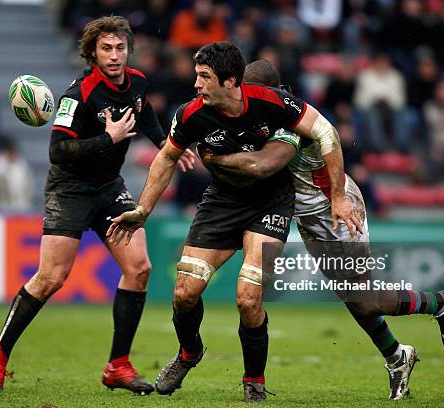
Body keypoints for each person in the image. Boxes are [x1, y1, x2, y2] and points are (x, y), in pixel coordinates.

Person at [107, 42, 361, 402]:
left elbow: (326, 134)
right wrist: (143, 210)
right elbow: (166, 159)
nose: (196, 85)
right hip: (222, 202)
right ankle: (189, 352)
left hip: (271, 202)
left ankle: (253, 381)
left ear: (230, 82)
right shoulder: (191, 113)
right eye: (196, 75)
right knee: (184, 293)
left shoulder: (271, 103)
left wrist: (337, 196)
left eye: (204, 77)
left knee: (248, 297)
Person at [201, 59, 444, 400]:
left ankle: (441, 303)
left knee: (364, 298)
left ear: (266, 92)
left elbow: (273, 160)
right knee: (354, 299)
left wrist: (214, 158)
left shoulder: (288, 122)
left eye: (250, 93)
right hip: (309, 217)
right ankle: (397, 357)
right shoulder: (263, 116)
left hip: (335, 212)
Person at [0, 16, 195, 396]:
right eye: (106, 48)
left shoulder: (138, 82)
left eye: (120, 48)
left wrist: (166, 145)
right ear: (92, 52)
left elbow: (145, 114)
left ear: (129, 49)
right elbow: (58, 152)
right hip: (70, 190)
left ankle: (118, 366)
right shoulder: (78, 95)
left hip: (109, 189)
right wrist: (108, 139)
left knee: (139, 267)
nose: (114, 56)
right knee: (51, 278)